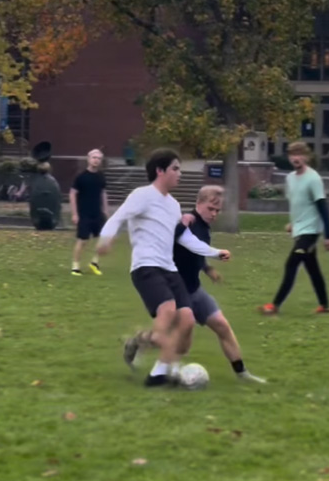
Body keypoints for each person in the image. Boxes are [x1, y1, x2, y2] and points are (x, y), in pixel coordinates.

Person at [96, 149, 231, 387]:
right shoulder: (142, 195)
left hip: (169, 269)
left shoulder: (174, 206)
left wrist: (214, 252)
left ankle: (158, 372)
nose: (180, 173)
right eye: (175, 169)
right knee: (168, 311)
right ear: (160, 171)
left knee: (187, 319)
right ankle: (156, 355)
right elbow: (118, 217)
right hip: (146, 267)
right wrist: (105, 239)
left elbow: (185, 239)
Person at [124, 185, 266, 383]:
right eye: (211, 208)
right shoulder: (184, 222)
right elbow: (168, 239)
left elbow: (195, 252)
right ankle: (139, 340)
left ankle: (242, 374)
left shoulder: (203, 228)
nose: (214, 214)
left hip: (194, 289)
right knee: (176, 343)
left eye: (218, 210)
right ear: (198, 203)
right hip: (174, 292)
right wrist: (182, 225)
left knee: (222, 326)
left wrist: (208, 270)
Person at [259, 141, 329, 315]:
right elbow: (297, 204)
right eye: (293, 154)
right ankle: (324, 305)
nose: (296, 157)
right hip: (300, 230)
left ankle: (275, 305)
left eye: (300, 154)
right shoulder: (290, 178)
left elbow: (323, 208)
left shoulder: (314, 178)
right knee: (312, 269)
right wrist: (293, 223)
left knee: (291, 264)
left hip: (311, 232)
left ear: (307, 157)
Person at [70, 149, 109, 276]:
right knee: (83, 240)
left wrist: (105, 210)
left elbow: (103, 193)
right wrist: (75, 213)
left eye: (98, 158)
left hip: (97, 213)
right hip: (84, 214)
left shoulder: (101, 177)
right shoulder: (81, 177)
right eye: (94, 157)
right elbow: (72, 194)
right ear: (88, 159)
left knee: (102, 239)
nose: (96, 160)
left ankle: (94, 262)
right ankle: (75, 267)